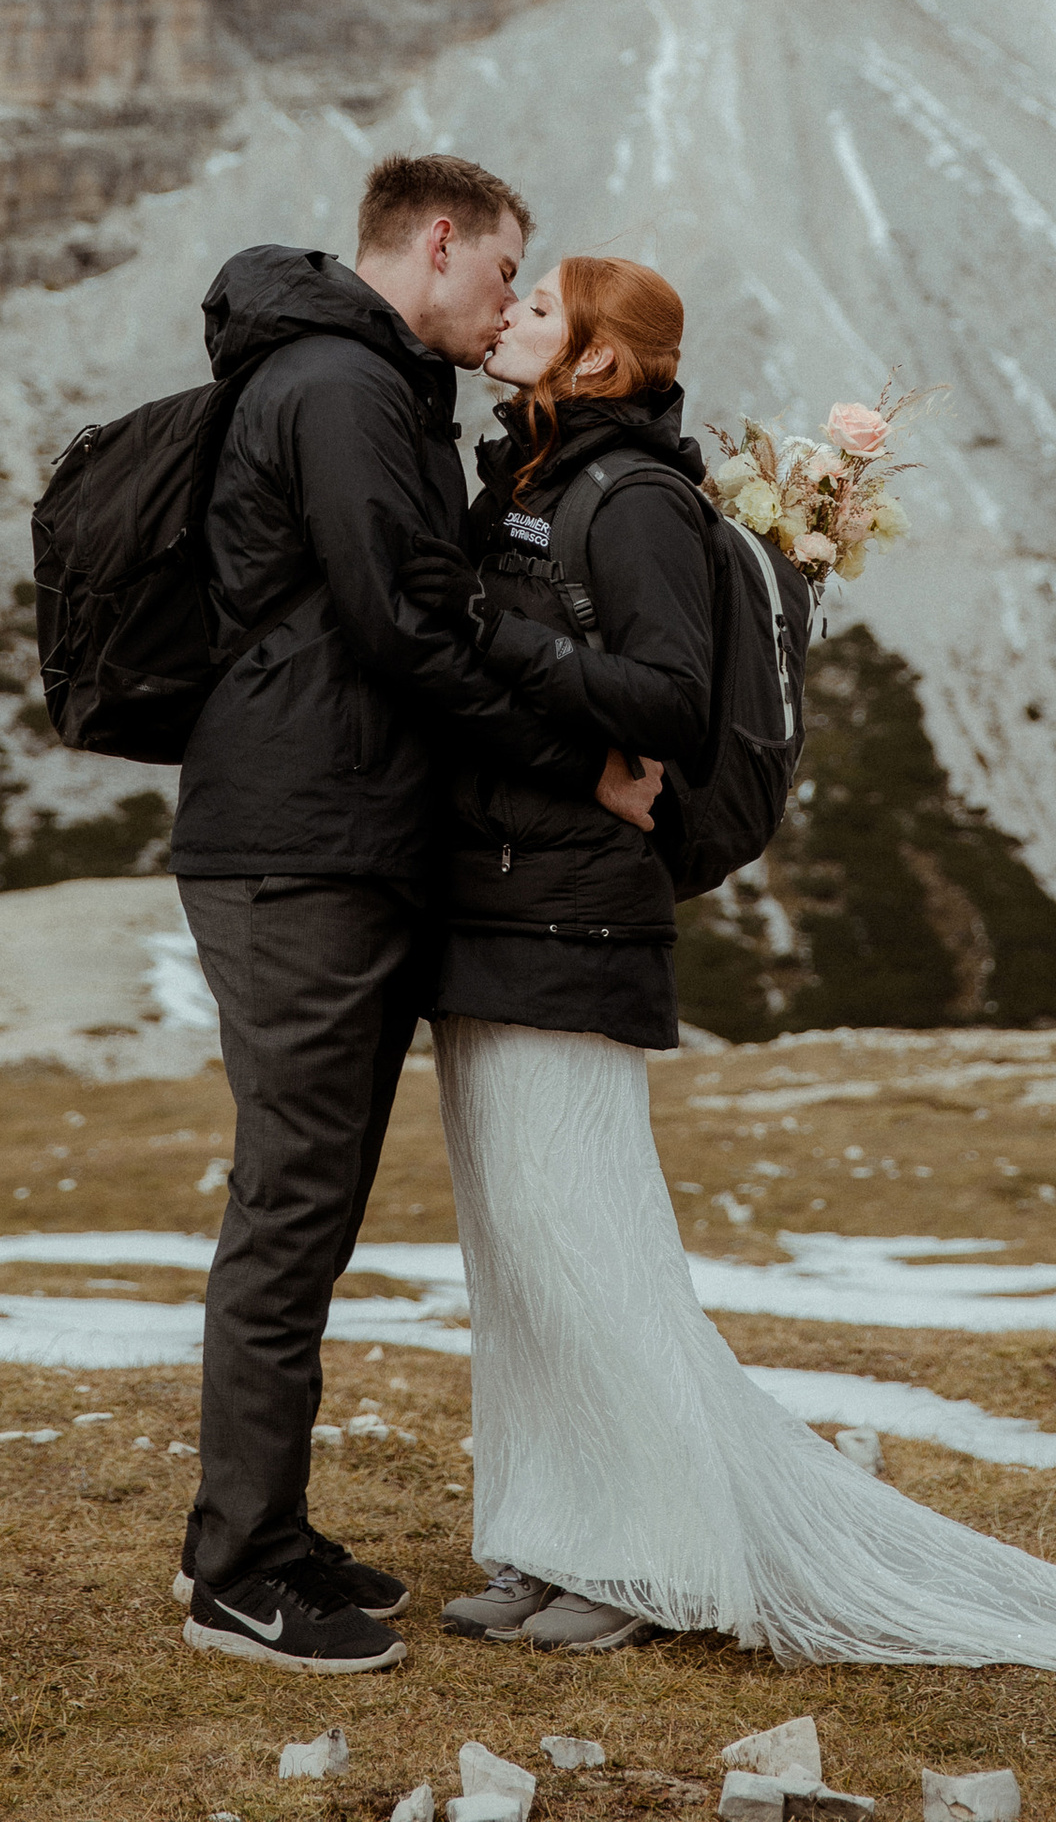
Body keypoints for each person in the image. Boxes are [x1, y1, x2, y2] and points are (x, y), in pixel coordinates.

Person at [428, 252, 1056, 1745]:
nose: (513, 316)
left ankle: (647, 1552)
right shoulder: (534, 481)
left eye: (541, 306)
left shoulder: (640, 504)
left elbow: (668, 697)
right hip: (494, 902)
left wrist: (505, 645)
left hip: (573, 917)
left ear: (599, 360)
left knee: (585, 1241)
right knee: (518, 1252)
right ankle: (550, 1532)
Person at [172, 154, 654, 1679]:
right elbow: (407, 629)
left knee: (314, 1198)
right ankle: (242, 1573)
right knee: (292, 1206)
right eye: (506, 273)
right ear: (437, 246)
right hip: (302, 845)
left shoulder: (364, 380)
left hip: (334, 834)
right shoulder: (345, 386)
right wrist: (581, 755)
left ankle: (278, 1531)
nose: (514, 301)